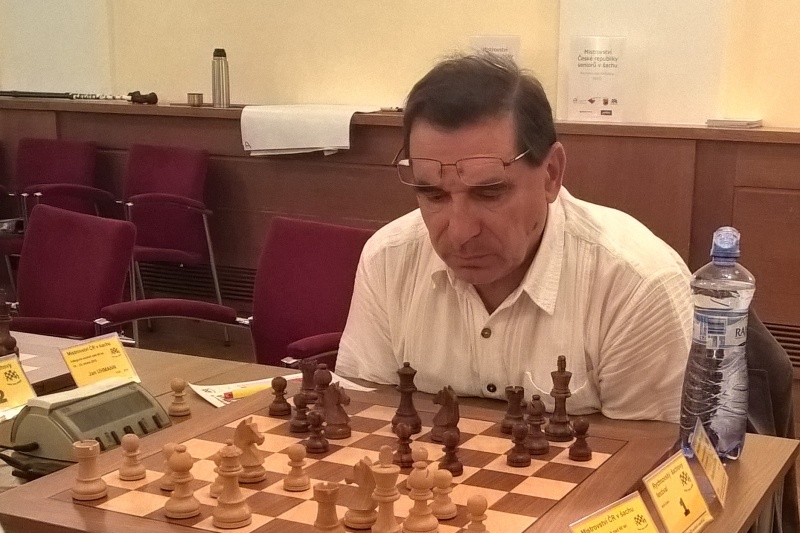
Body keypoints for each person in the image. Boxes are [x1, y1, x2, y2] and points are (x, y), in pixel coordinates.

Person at [336, 53, 692, 422]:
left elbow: (653, 452)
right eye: (433, 194)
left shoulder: (637, 287)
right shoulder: (388, 260)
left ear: (551, 174)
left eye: (489, 193)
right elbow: (365, 421)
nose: (460, 232)